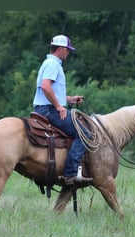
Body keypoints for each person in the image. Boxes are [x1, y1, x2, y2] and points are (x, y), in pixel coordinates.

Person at [32, 34, 93, 186]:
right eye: (67, 50)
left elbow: (50, 91)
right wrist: (59, 107)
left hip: (43, 108)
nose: (68, 53)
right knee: (84, 134)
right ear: (60, 49)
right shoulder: (53, 64)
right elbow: (46, 87)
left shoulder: (48, 63)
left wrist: (70, 99)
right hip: (49, 110)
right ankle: (71, 173)